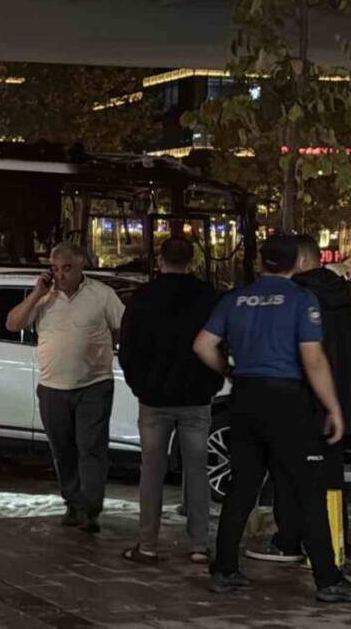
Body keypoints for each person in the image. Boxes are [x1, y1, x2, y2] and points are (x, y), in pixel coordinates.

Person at [193, 234, 351, 603]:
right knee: (308, 489)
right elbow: (313, 359)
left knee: (242, 487)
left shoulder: (235, 298)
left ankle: (224, 569)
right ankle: (328, 580)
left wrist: (228, 371)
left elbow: (202, 345)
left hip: (244, 397)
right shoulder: (301, 300)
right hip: (286, 401)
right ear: (295, 263)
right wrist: (333, 406)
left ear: (261, 261)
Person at [245, 234, 351, 563]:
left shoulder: (298, 296)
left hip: (303, 397)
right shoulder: (346, 294)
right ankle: (337, 543)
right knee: (330, 477)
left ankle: (289, 540)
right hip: (342, 397)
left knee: (288, 473)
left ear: (299, 261)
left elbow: (305, 353)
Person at [6, 241, 124, 531]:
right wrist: (37, 293)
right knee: (63, 449)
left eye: (67, 269)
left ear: (82, 263)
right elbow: (12, 324)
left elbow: (124, 325)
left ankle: (90, 508)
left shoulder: (102, 295)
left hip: (93, 384)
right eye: (55, 269)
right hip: (52, 387)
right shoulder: (44, 298)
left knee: (91, 448)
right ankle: (73, 502)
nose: (60, 275)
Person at [118, 236, 222, 565]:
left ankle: (148, 544)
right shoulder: (209, 297)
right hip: (196, 396)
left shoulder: (143, 297)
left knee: (152, 470)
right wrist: (213, 381)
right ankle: (199, 545)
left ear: (160, 260)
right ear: (191, 260)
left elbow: (128, 348)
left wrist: (140, 385)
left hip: (153, 398)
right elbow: (221, 343)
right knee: (196, 470)